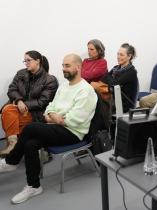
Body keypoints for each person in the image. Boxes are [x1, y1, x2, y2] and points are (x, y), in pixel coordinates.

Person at [0, 54, 97, 204]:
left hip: (73, 133)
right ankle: (34, 186)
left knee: (31, 127)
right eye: (63, 65)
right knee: (30, 144)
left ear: (78, 67)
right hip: (56, 126)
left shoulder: (86, 90)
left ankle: (11, 161)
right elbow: (49, 108)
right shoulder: (64, 87)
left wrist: (55, 117)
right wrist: (53, 116)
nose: (64, 69)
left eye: (67, 66)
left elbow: (75, 120)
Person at [0, 51, 58, 156]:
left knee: (8, 111)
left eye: (28, 60)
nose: (26, 63)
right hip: (20, 111)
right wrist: (19, 101)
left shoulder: (50, 80)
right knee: (7, 111)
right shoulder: (21, 73)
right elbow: (12, 89)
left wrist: (25, 105)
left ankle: (13, 145)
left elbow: (42, 102)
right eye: (24, 61)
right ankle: (15, 144)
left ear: (37, 61)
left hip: (36, 114)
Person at [100, 43, 138, 113]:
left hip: (124, 105)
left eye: (121, 55)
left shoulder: (131, 72)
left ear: (129, 56)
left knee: (99, 104)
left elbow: (114, 84)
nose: (118, 57)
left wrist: (110, 77)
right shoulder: (116, 68)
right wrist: (110, 78)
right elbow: (104, 79)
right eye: (118, 54)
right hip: (115, 99)